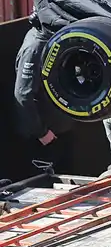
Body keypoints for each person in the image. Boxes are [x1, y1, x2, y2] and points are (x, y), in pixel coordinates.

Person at [13, 13, 75, 166]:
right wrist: (42, 133)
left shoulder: (54, 40)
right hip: (46, 138)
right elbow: (23, 95)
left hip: (61, 131)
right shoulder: (35, 48)